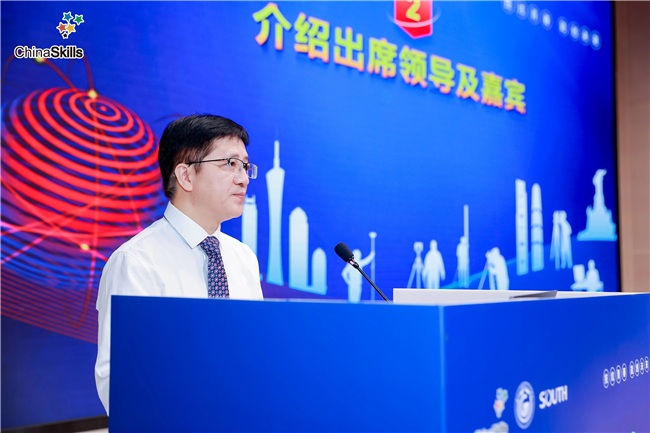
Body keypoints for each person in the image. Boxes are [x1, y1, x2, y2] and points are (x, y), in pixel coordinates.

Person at [94, 115, 263, 414]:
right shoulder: (136, 261)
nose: (243, 178)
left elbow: (255, 353)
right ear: (186, 176)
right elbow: (118, 378)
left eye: (245, 166)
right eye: (230, 164)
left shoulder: (243, 257)